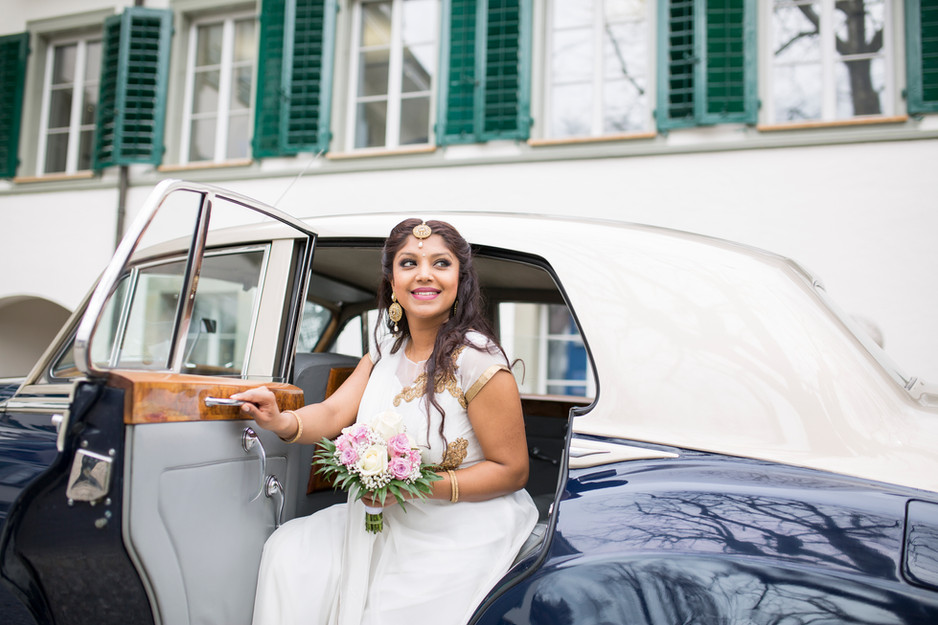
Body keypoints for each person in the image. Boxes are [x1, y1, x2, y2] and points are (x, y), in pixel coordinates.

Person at [232, 219, 538, 625]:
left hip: (457, 523)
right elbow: (333, 413)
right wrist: (280, 420)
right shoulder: (384, 349)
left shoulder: (478, 360)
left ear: (460, 280)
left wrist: (411, 488)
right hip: (378, 516)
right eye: (409, 263)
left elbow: (512, 470)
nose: (424, 274)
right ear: (393, 282)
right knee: (289, 552)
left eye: (441, 263)